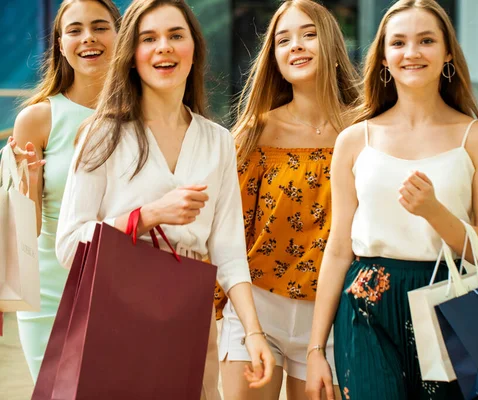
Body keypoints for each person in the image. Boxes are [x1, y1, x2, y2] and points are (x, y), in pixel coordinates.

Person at [55, 0, 275, 398]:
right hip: (117, 310)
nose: (164, 47)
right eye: (149, 38)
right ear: (132, 55)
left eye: (176, 35)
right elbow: (69, 245)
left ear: (194, 48)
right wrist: (150, 215)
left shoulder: (217, 140)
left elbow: (228, 251)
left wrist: (253, 332)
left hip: (190, 315)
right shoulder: (102, 134)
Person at [305, 0, 478, 399]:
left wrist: (434, 212)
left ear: (448, 52)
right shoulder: (354, 140)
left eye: (426, 40)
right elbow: (338, 248)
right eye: (398, 42)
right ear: (383, 57)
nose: (411, 52)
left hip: (450, 302)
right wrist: (315, 348)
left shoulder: (477, 138)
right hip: (367, 303)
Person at [217, 1, 359, 399]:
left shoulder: (367, 130)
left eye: (309, 34)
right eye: (284, 40)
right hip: (257, 309)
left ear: (332, 45)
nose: (296, 46)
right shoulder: (255, 132)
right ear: (275, 58)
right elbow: (230, 231)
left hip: (334, 315)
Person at [7, 0, 120, 381]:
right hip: (50, 296)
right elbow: (26, 230)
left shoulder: (146, 113)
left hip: (126, 288)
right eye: (75, 29)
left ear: (120, 35)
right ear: (60, 44)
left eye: (100, 26)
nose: (88, 38)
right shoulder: (37, 118)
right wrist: (30, 185)